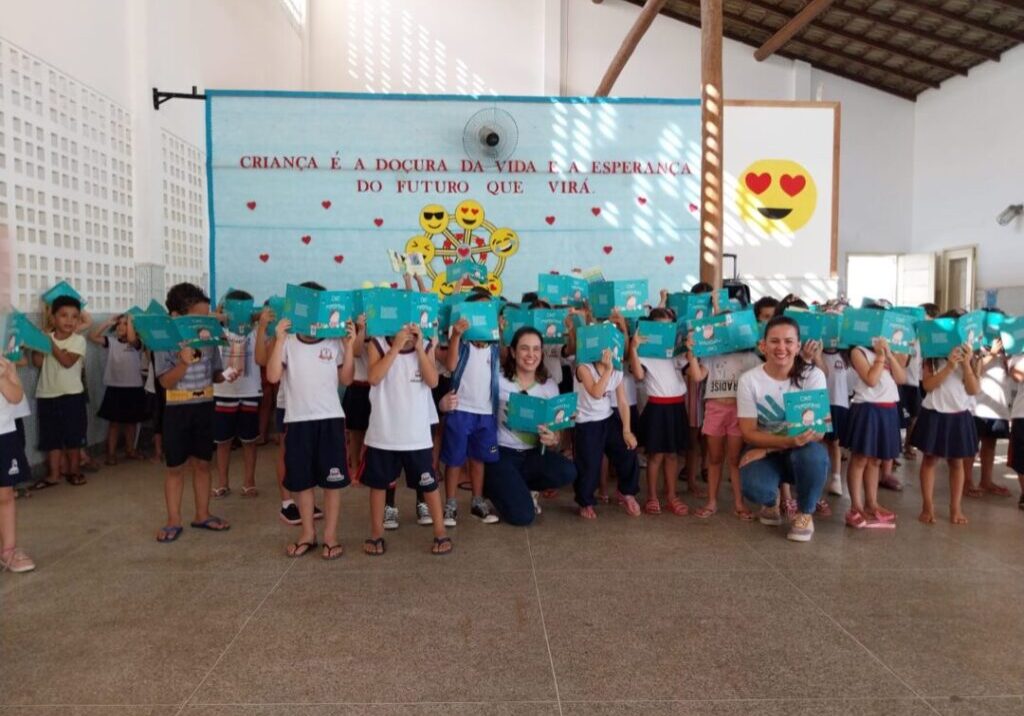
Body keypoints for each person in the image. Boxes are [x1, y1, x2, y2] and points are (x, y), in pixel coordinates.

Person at [266, 306, 355, 559]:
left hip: (330, 419)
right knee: (302, 480)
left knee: (332, 481)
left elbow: (347, 380)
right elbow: (273, 376)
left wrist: (349, 346)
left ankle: (330, 535)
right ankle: (308, 533)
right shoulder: (289, 342)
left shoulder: (335, 341)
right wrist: (280, 338)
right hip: (297, 420)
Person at [736, 316, 829, 542]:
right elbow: (748, 432)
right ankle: (770, 501)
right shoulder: (749, 380)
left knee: (815, 457)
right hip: (768, 448)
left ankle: (805, 513)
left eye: (788, 342)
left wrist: (772, 447)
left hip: (799, 449)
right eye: (775, 341)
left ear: (798, 346)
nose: (782, 348)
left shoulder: (813, 376)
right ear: (763, 345)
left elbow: (819, 432)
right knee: (754, 485)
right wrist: (779, 445)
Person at [362, 321, 451, 555]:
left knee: (428, 483)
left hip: (416, 435)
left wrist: (421, 348)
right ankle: (376, 533)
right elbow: (373, 377)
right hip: (384, 433)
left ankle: (440, 532)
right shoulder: (378, 344)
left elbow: (433, 381)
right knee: (379, 485)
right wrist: (394, 348)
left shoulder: (428, 343)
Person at [151, 283, 231, 543]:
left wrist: (228, 374)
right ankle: (173, 519)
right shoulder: (164, 341)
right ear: (176, 316)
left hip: (205, 405)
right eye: (198, 317)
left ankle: (202, 514)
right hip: (177, 408)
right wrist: (184, 362)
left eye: (206, 316)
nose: (204, 321)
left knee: (203, 463)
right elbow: (165, 382)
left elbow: (216, 373)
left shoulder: (208, 338)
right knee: (176, 467)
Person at [483, 327, 576, 525]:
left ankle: (516, 486)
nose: (530, 355)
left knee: (568, 470)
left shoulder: (549, 386)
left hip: (533, 454)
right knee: (523, 517)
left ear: (541, 354)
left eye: (536, 349)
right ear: (514, 352)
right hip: (502, 453)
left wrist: (553, 439)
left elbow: (555, 439)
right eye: (524, 349)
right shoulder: (498, 381)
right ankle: (493, 486)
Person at [686, 317, 761, 520]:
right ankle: (712, 501)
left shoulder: (751, 357)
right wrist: (692, 355)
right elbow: (697, 377)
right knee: (715, 458)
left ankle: (739, 503)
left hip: (740, 410)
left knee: (735, 460)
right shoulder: (712, 355)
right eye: (723, 329)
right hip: (715, 409)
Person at [841, 311, 907, 529]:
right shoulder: (858, 352)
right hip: (867, 409)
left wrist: (889, 355)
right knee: (860, 458)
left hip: (888, 409)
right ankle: (856, 506)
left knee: (877, 460)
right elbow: (870, 379)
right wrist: (880, 356)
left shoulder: (890, 352)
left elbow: (901, 378)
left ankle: (872, 503)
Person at [442, 289, 501, 526]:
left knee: (479, 459)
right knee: (455, 459)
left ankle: (477, 501)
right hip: (461, 409)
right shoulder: (462, 340)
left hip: (486, 412)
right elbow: (451, 364)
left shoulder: (495, 344)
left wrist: (503, 332)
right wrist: (456, 335)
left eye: (488, 309)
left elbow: (504, 364)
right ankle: (450, 504)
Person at [910, 332, 980, 525]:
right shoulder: (932, 357)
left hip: (959, 415)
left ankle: (956, 507)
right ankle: (927, 506)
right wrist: (949, 366)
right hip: (934, 413)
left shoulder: (972, 358)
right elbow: (928, 385)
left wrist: (966, 364)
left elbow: (974, 389)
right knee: (930, 459)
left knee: (957, 462)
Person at [628, 308, 690, 515]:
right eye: (659, 327)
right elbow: (637, 374)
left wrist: (690, 348)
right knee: (656, 456)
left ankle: (672, 495)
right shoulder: (646, 353)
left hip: (677, 406)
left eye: (668, 327)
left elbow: (690, 368)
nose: (664, 331)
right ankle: (652, 496)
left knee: (672, 455)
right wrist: (634, 349)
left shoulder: (677, 352)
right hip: (657, 408)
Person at [572, 337, 640, 519]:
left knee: (628, 450)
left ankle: (626, 492)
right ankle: (585, 502)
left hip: (608, 418)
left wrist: (626, 430)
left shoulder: (617, 370)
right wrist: (608, 370)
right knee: (589, 465)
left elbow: (623, 402)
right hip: (586, 422)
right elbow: (596, 392)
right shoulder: (583, 367)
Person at [30, 295, 89, 489]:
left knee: (73, 437)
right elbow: (38, 362)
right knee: (51, 438)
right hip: (47, 394)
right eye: (63, 315)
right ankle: (53, 475)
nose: (69, 321)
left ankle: (74, 471)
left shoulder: (78, 341)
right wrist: (39, 345)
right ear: (53, 318)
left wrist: (49, 342)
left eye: (74, 316)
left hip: (72, 395)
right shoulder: (48, 339)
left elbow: (66, 361)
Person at [212, 290, 263, 498]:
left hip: (250, 390)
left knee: (249, 441)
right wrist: (223, 316)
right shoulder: (218, 330)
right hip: (224, 391)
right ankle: (222, 482)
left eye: (245, 309)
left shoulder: (257, 329)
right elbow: (206, 318)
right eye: (236, 309)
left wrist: (254, 317)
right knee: (222, 441)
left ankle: (249, 482)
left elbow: (271, 313)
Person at [89, 314, 146, 464]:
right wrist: (108, 322)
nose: (121, 326)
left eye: (125, 324)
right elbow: (93, 336)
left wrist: (131, 321)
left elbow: (133, 339)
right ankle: (111, 453)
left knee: (131, 423)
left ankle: (130, 450)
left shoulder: (138, 344)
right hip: (115, 387)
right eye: (119, 324)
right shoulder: (112, 342)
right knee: (113, 423)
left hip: (133, 387)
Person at [967, 324, 1012, 498]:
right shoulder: (979, 349)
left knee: (990, 444)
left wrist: (1007, 354)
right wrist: (992, 353)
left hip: (998, 405)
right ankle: (967, 481)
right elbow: (973, 369)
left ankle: (986, 480)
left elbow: (1012, 372)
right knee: (972, 445)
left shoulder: (1006, 351)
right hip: (978, 405)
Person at [0, 356, 34, 572]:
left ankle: (8, 551)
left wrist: (2, 377)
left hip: (3, 433)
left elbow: (16, 396)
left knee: (5, 495)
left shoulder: (4, 360)